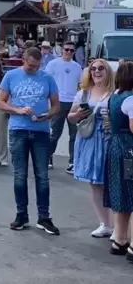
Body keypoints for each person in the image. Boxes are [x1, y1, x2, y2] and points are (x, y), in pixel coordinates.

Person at [0, 47, 61, 235]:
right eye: (31, 66)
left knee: (42, 175)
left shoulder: (47, 78)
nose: (34, 69)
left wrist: (47, 114)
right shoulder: (11, 76)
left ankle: (44, 216)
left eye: (37, 66)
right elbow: (0, 102)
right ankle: (21, 215)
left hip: (40, 131)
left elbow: (56, 105)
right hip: (18, 129)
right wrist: (17, 110)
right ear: (23, 60)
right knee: (20, 175)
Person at [67, 59, 115, 239]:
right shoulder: (83, 94)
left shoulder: (114, 93)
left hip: (109, 139)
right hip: (89, 139)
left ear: (108, 71)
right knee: (95, 183)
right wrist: (78, 114)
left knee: (111, 182)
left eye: (101, 68)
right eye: (93, 69)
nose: (96, 71)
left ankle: (118, 226)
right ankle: (105, 224)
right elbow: (70, 118)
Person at [105, 61, 133, 258]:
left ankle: (119, 239)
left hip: (115, 146)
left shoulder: (113, 97)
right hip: (129, 149)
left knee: (120, 192)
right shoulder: (131, 99)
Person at [45, 40, 84, 173]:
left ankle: (72, 161)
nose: (68, 52)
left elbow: (80, 85)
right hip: (58, 101)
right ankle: (48, 157)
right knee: (55, 132)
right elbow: (47, 82)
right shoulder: (53, 64)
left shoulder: (77, 67)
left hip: (73, 102)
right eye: (66, 49)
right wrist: (49, 100)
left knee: (74, 134)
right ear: (62, 50)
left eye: (71, 50)